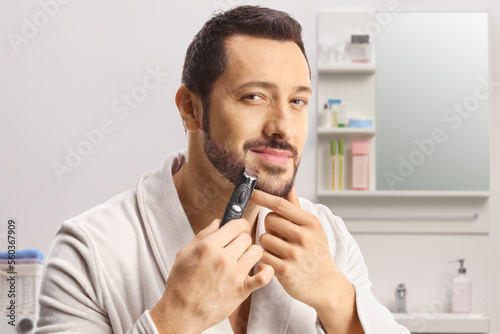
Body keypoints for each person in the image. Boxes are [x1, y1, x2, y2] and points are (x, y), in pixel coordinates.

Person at [35, 5, 409, 334]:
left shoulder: (327, 237)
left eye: (297, 101)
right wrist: (175, 319)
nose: (284, 126)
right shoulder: (88, 250)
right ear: (191, 109)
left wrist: (334, 294)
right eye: (254, 97)